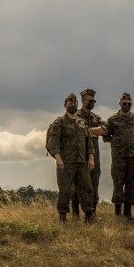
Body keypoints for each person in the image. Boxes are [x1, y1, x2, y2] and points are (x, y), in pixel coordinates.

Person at [90, 93, 134, 220]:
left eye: (129, 103)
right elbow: (104, 130)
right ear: (120, 104)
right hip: (118, 157)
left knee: (132, 184)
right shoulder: (113, 119)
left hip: (133, 157)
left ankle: (128, 212)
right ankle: (117, 212)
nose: (127, 105)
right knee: (118, 183)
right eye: (124, 103)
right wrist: (88, 129)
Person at [46, 93, 95, 223]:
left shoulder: (82, 123)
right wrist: (58, 159)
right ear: (65, 105)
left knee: (87, 188)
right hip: (66, 162)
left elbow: (88, 142)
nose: (73, 105)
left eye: (75, 104)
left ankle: (89, 215)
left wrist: (91, 159)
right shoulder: (60, 122)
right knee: (65, 190)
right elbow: (53, 142)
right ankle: (63, 216)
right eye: (70, 104)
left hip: (81, 162)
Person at [71, 88, 104, 220]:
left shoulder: (96, 117)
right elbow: (73, 131)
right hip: (78, 154)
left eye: (94, 100)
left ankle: (92, 213)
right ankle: (75, 212)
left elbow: (105, 130)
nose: (92, 102)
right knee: (77, 185)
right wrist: (93, 133)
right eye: (90, 100)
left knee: (94, 183)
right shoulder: (75, 115)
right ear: (83, 100)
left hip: (94, 154)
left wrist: (87, 130)